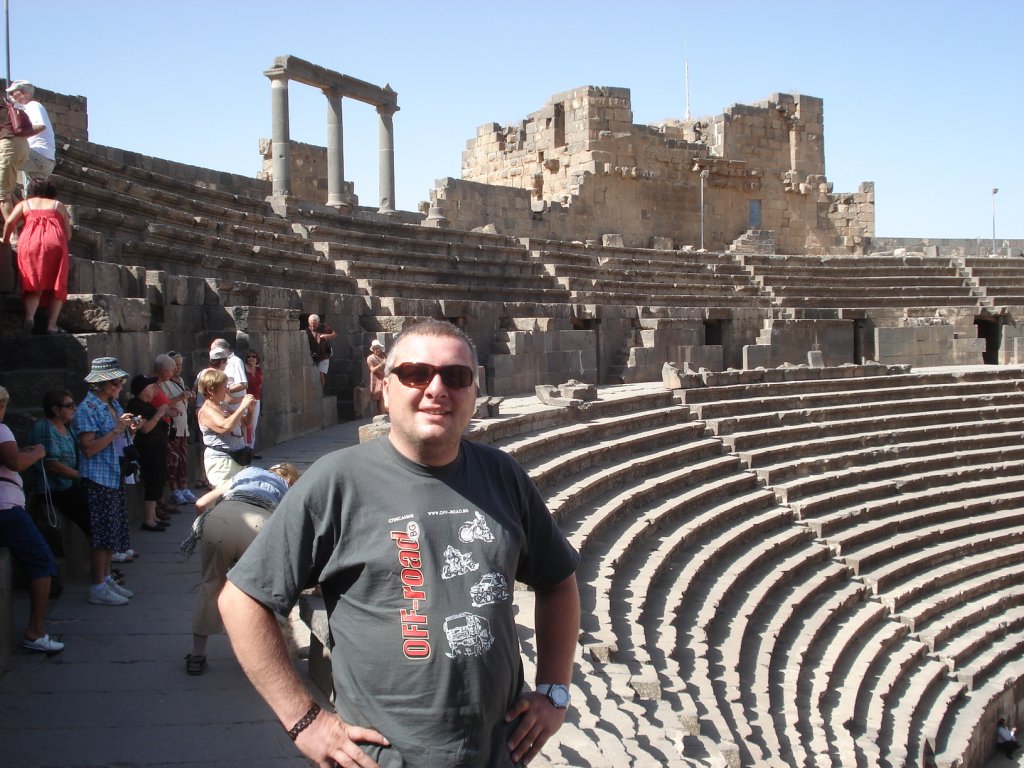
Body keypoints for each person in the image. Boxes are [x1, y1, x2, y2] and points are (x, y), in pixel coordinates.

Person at [220, 319, 580, 768]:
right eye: (415, 374)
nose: (436, 389)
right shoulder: (337, 481)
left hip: (497, 751)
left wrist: (554, 691)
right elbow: (241, 599)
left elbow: (558, 582)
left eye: (456, 376)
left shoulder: (503, 476)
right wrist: (303, 719)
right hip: (378, 759)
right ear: (386, 389)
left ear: (473, 391)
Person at [181, 462, 300, 676]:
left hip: (219, 520)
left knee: (210, 586)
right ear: (290, 479)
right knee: (261, 594)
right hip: (259, 525)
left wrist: (203, 528)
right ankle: (267, 657)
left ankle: (197, 655)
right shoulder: (287, 489)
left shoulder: (245, 474)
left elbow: (200, 504)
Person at [0, 385, 64, 654]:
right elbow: (15, 463)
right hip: (7, 509)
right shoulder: (2, 429)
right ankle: (35, 631)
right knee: (42, 562)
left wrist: (22, 454)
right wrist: (37, 453)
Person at [73, 357, 137, 606]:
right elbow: (88, 448)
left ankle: (107, 578)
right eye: (115, 383)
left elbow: (119, 433)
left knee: (112, 532)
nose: (119, 386)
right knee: (102, 534)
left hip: (114, 473)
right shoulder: (87, 409)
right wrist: (116, 430)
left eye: (120, 382)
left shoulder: (112, 404)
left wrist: (130, 427)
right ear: (101, 384)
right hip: (98, 477)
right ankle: (98, 585)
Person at [2, 177, 71, 335]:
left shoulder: (25, 204)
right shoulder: (58, 205)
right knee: (58, 282)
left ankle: (30, 317)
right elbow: (68, 234)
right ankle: (52, 325)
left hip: (29, 243)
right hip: (55, 243)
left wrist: (6, 240)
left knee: (33, 281)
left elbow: (10, 222)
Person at [28, 390, 90, 539]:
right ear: (55, 410)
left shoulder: (67, 427)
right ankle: (104, 547)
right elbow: (52, 465)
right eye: (69, 406)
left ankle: (107, 546)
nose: (74, 409)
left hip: (68, 485)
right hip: (54, 489)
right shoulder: (46, 428)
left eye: (73, 405)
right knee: (90, 513)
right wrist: (81, 476)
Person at [126, 374, 173, 532]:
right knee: (152, 481)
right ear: (143, 390)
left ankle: (153, 517)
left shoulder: (147, 404)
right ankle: (148, 520)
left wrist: (165, 413)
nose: (154, 389)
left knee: (157, 480)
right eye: (151, 387)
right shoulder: (135, 405)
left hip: (157, 447)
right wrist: (159, 413)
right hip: (148, 449)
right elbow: (145, 429)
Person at [196, 368, 255, 488]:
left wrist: (250, 410)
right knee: (225, 495)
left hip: (236, 458)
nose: (227, 389)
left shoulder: (224, 406)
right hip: (222, 461)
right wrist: (242, 406)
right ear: (211, 390)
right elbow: (225, 426)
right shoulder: (206, 410)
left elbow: (246, 423)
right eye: (224, 386)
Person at [158, 352, 195, 505]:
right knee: (173, 460)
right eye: (176, 365)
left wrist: (189, 396)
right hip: (172, 427)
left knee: (183, 460)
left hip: (183, 426)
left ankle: (184, 487)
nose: (179, 368)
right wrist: (181, 397)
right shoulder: (163, 383)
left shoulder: (180, 380)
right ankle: (174, 490)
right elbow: (164, 403)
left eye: (180, 365)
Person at [5, 81, 55, 187]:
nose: (10, 96)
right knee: (37, 192)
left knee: (4, 155)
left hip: (38, 154)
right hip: (39, 159)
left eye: (12, 92)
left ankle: (5, 195)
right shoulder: (23, 109)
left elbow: (40, 126)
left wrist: (16, 137)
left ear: (21, 93)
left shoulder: (33, 106)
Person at [0, 85, 29, 222]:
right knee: (8, 190)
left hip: (9, 145)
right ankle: (28, 219)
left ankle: (13, 234)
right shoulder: (9, 107)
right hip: (22, 146)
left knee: (2, 195)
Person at [210, 338, 247, 406]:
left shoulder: (236, 361)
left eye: (214, 350)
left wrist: (223, 390)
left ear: (223, 349)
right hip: (222, 406)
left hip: (235, 407)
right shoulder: (217, 363)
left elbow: (243, 384)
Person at [306, 313, 336, 391]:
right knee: (313, 373)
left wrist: (327, 336)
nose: (312, 326)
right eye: (311, 324)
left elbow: (334, 334)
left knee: (321, 373)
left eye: (314, 324)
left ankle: (320, 391)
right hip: (314, 354)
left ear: (318, 322)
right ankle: (315, 391)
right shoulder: (308, 330)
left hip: (324, 354)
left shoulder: (324, 327)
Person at [243, 349, 262, 452]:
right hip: (246, 400)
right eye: (249, 356)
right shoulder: (244, 370)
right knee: (246, 426)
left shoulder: (258, 370)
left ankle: (251, 449)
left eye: (253, 356)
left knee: (253, 426)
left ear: (256, 359)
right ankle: (245, 448)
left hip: (256, 400)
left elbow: (260, 385)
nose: (251, 358)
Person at [366, 339, 387, 415]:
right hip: (377, 379)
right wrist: (381, 365)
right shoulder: (370, 358)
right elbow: (372, 369)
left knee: (386, 396)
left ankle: (386, 413)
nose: (377, 350)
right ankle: (382, 414)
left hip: (385, 378)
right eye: (375, 348)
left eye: (378, 348)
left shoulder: (384, 356)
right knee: (380, 397)